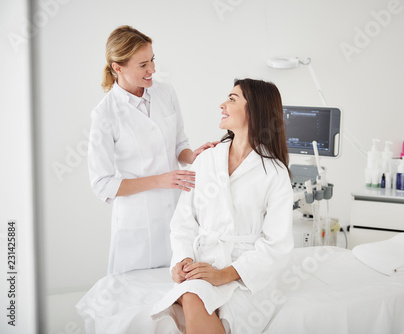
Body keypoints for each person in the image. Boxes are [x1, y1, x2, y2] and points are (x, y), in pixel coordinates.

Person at [149, 79, 294, 333]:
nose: (222, 105)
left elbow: (277, 246)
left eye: (232, 99)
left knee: (198, 300)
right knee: (194, 294)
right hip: (202, 263)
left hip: (246, 275)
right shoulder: (206, 160)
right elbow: (184, 220)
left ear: (254, 109)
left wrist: (224, 274)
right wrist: (183, 260)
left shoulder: (274, 172)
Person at [88, 25, 217, 275]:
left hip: (177, 213)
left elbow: (179, 144)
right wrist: (160, 180)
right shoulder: (105, 114)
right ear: (118, 67)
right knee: (136, 300)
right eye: (143, 65)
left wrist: (193, 156)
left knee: (178, 288)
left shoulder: (165, 92)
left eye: (152, 60)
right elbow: (102, 184)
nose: (153, 70)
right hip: (137, 224)